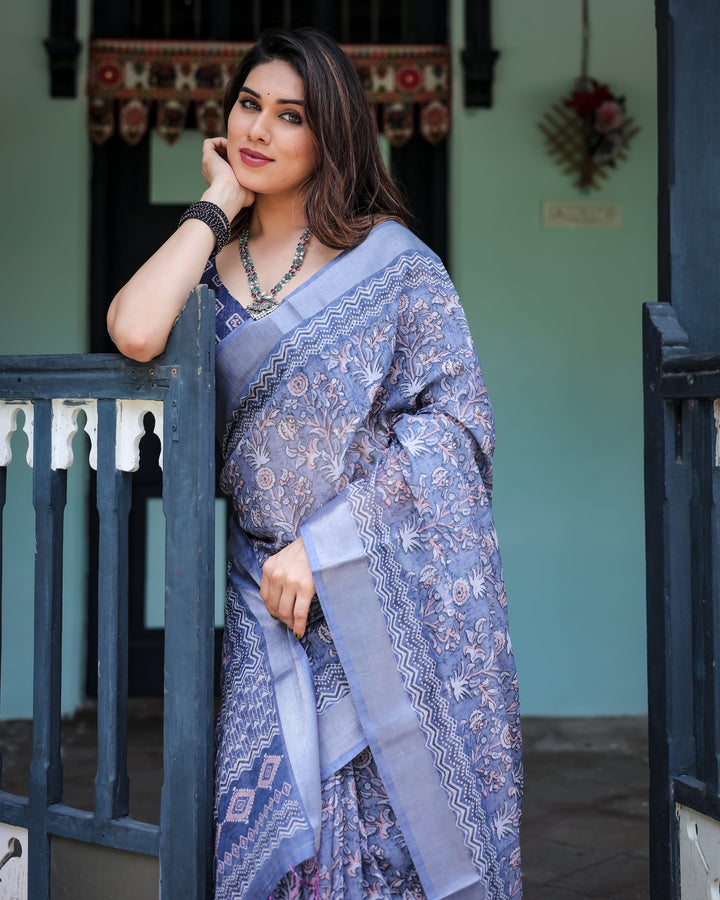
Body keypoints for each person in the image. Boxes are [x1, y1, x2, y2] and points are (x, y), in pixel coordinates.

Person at [107, 26, 522, 900]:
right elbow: (137, 328)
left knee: (387, 842)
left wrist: (330, 544)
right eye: (248, 105)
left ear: (329, 136)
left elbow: (456, 425)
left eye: (289, 116)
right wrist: (216, 201)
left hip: (375, 585)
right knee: (277, 835)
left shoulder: (396, 265)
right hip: (265, 594)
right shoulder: (208, 272)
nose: (259, 129)